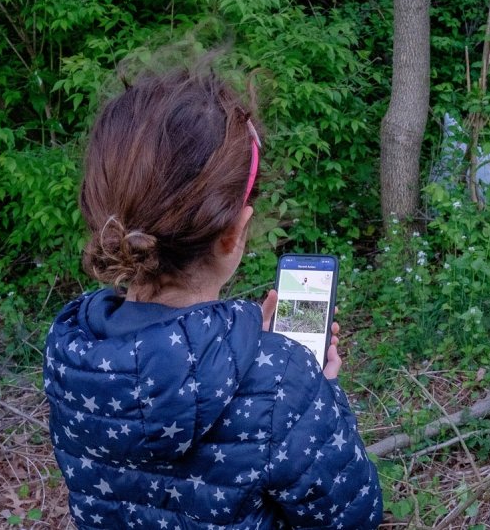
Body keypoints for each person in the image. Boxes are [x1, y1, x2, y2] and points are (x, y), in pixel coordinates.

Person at [43, 66, 383, 529]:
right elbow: (352, 518)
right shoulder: (282, 381)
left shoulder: (72, 351)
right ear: (234, 234)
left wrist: (252, 350)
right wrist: (315, 390)